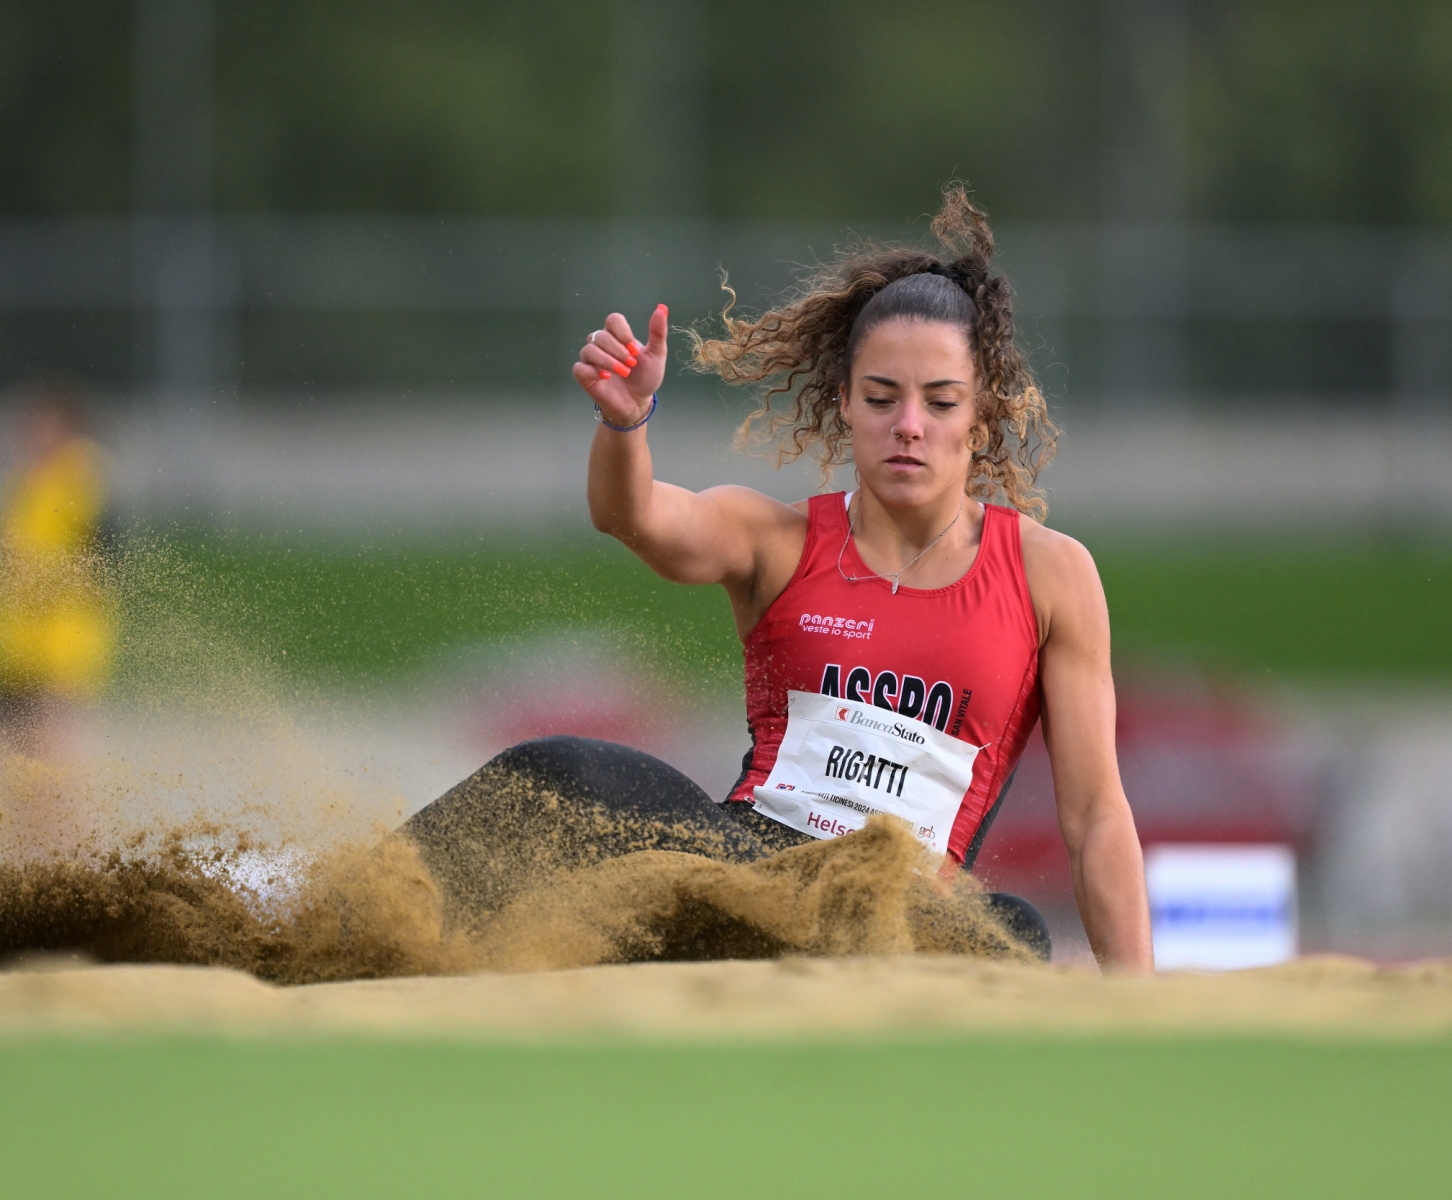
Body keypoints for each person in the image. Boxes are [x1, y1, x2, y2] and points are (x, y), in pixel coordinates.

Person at [402, 188, 1151, 971]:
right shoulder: (779, 539)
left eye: (940, 402)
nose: (909, 425)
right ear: (845, 406)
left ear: (981, 417)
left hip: (896, 913)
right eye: (882, 398)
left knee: (1014, 935)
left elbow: (1097, 815)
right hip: (748, 869)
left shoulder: (1050, 573)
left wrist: (1142, 1004)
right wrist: (625, 423)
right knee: (559, 771)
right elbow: (637, 518)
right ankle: (344, 920)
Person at [0, 381, 116, 767]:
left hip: (59, 650)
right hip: (9, 650)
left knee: (58, 765)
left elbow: (104, 559)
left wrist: (42, 577)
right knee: (8, 768)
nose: (30, 433)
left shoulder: (81, 479)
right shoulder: (17, 485)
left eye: (41, 423)